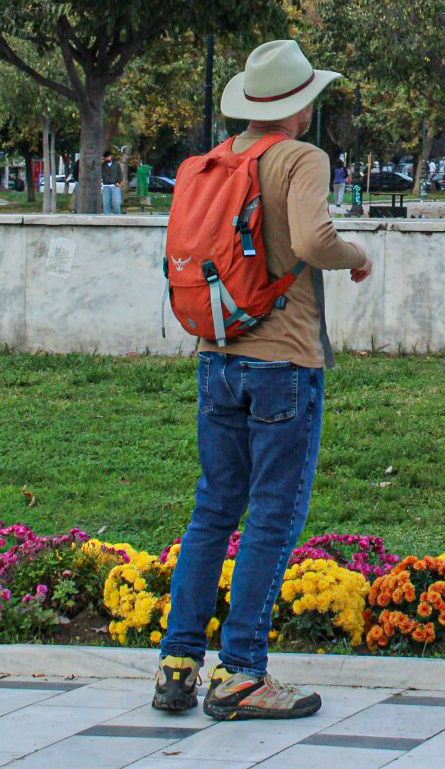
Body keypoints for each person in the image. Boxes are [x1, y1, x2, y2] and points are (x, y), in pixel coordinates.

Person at [153, 39, 373, 722]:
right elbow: (312, 242)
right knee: (274, 514)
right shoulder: (301, 157)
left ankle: (179, 663)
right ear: (299, 107)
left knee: (215, 508)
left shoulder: (216, 161)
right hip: (283, 360)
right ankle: (242, 672)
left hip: (218, 355)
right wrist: (357, 254)